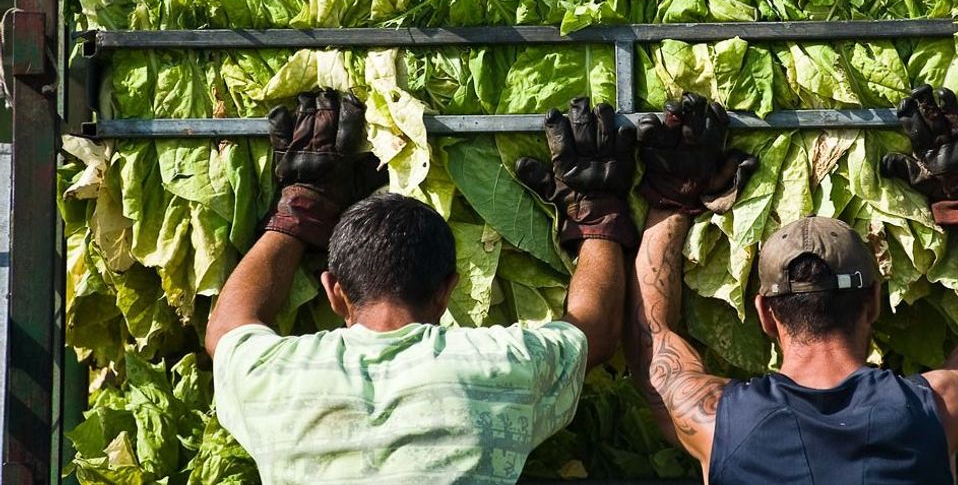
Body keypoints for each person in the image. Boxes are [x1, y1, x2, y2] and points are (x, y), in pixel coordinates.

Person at [205, 91, 639, 484]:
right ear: (447, 290)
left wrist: (300, 208)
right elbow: (593, 331)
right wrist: (595, 212)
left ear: (334, 291)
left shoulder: (275, 378)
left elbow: (227, 327)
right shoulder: (500, 366)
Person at [625, 87, 958, 484]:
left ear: (766, 314)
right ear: (873, 301)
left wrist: (672, 195)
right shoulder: (936, 408)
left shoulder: (716, 420)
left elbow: (650, 336)